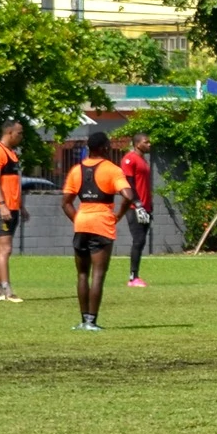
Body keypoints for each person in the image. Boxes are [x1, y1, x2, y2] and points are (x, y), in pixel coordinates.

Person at [61, 131, 133, 330]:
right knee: (98, 274)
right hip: (102, 223)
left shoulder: (76, 170)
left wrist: (79, 220)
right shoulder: (112, 170)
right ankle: (92, 321)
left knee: (82, 274)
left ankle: (83, 321)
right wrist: (118, 214)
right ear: (104, 148)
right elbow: (128, 195)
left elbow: (66, 203)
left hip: (82, 222)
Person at [0, 120, 26, 303]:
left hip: (13, 207)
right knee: (6, 248)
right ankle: (7, 290)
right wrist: (2, 204)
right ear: (10, 132)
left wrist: (21, 206)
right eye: (19, 133)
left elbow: (14, 183)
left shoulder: (12, 153)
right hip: (2, 207)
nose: (21, 136)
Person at [119, 133, 155, 289]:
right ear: (137, 144)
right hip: (135, 207)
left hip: (145, 206)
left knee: (141, 241)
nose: (149, 144)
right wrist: (137, 203)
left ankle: (135, 276)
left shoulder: (143, 161)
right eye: (146, 142)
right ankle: (133, 277)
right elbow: (128, 182)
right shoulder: (130, 159)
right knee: (138, 240)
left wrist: (148, 206)